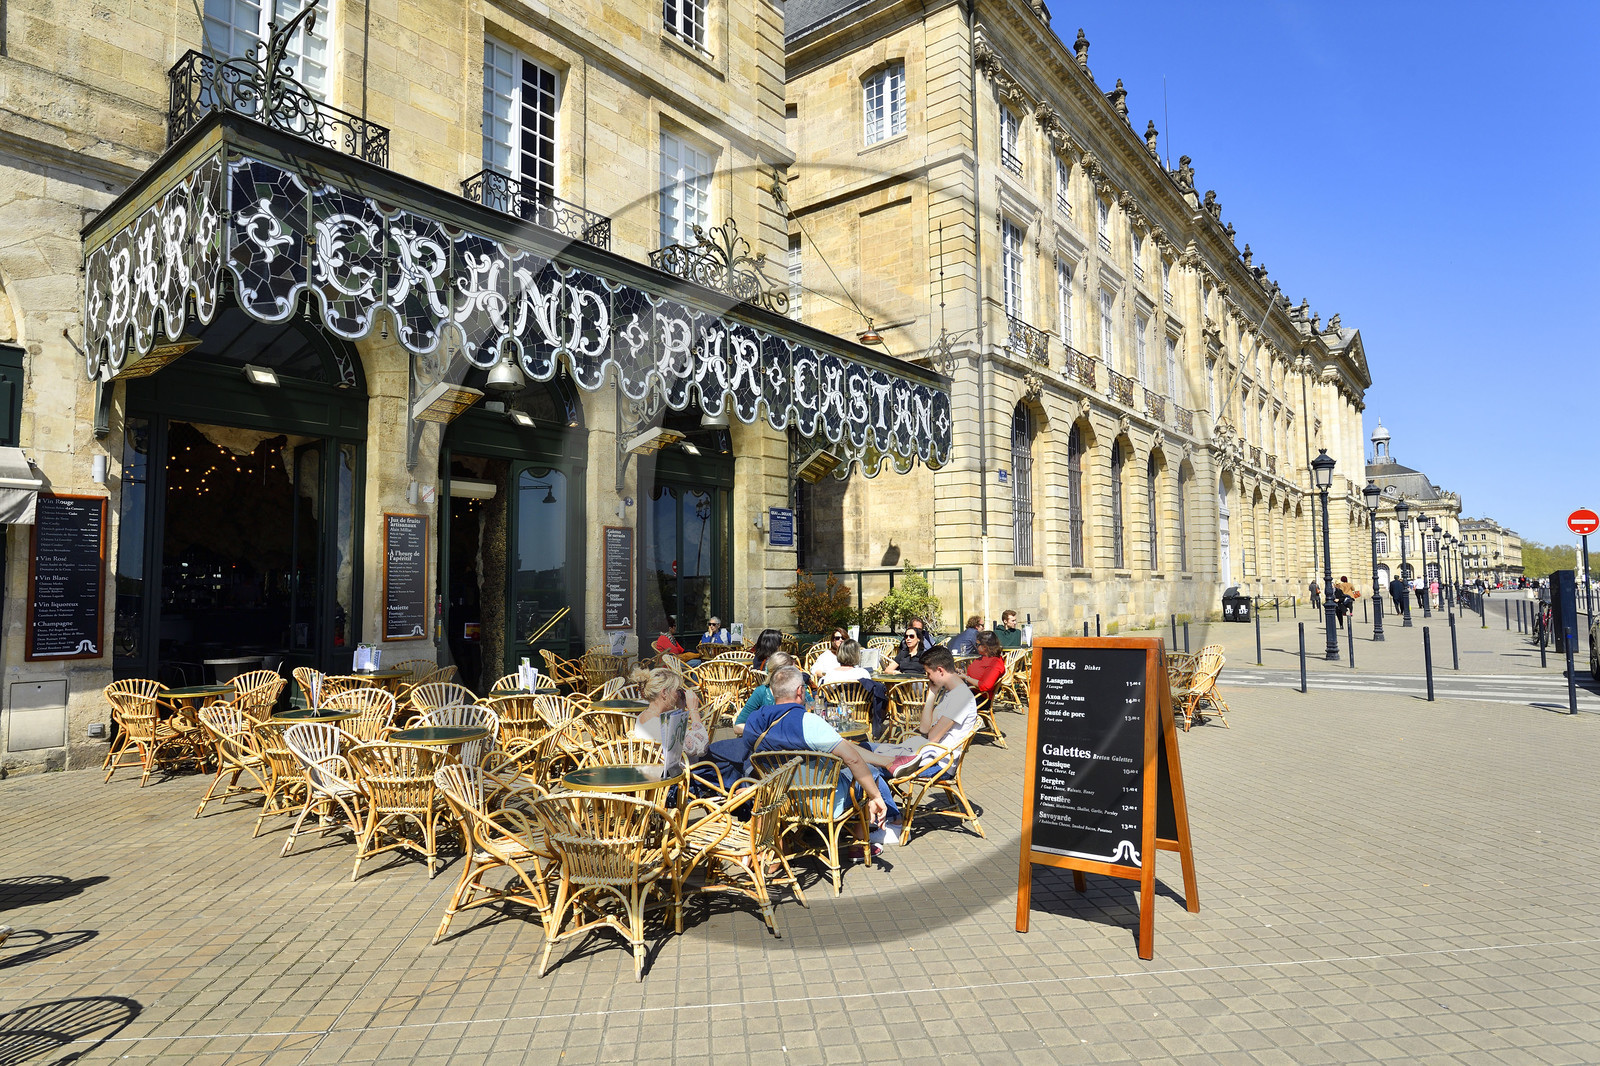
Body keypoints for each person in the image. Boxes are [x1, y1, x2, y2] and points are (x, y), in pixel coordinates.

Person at [740, 665, 893, 834]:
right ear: (800, 691)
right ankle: (861, 839)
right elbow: (853, 759)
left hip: (779, 801)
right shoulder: (808, 722)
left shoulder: (754, 721)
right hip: (821, 802)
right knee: (870, 772)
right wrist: (876, 796)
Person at [629, 667, 709, 760]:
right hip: (689, 766)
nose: (679, 695)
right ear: (664, 693)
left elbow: (678, 740)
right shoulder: (665, 727)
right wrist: (694, 710)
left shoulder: (643, 716)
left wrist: (681, 709)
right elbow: (702, 748)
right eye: (677, 690)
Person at [734, 651, 797, 726]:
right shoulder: (762, 692)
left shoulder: (799, 691)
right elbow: (739, 725)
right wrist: (765, 731)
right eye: (793, 672)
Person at [964, 631, 1006, 699]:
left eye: (977, 644)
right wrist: (963, 674)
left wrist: (966, 678)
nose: (975, 646)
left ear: (985, 647)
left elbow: (985, 686)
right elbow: (974, 675)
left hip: (980, 697)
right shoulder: (982, 658)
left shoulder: (995, 663)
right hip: (970, 692)